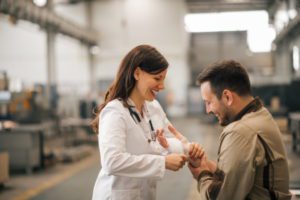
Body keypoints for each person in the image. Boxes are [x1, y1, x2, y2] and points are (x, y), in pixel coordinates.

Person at [91, 44, 203, 200]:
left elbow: (169, 139)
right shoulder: (115, 112)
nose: (162, 86)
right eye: (157, 78)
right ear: (137, 73)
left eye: (163, 79)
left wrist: (189, 149)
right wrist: (162, 162)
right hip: (117, 194)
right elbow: (112, 161)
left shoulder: (153, 107)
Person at [169, 60, 292, 199]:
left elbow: (222, 197)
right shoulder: (260, 114)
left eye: (209, 102)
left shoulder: (240, 131)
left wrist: (202, 174)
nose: (208, 110)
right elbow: (241, 176)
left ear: (227, 97)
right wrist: (208, 165)